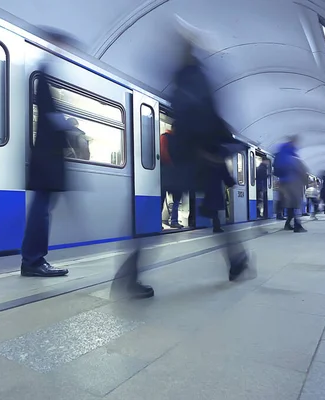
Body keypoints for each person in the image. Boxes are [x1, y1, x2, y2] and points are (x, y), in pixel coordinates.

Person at [112, 16, 250, 299]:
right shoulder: (195, 74)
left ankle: (128, 277)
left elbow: (193, 114)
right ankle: (237, 260)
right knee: (214, 215)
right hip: (199, 156)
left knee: (163, 212)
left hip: (191, 155)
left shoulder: (188, 75)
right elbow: (207, 114)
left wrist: (202, 148)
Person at [21, 31, 83, 278]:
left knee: (42, 208)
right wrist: (69, 127)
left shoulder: (45, 74)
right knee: (41, 210)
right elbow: (49, 115)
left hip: (47, 159)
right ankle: (34, 260)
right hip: (46, 159)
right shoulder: (43, 74)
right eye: (62, 45)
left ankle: (34, 258)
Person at [273, 136, 308, 233]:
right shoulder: (293, 157)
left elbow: (275, 171)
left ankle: (288, 224)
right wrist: (305, 182)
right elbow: (302, 171)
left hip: (283, 183)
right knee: (296, 204)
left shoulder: (280, 154)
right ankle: (298, 225)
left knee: (290, 205)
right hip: (294, 183)